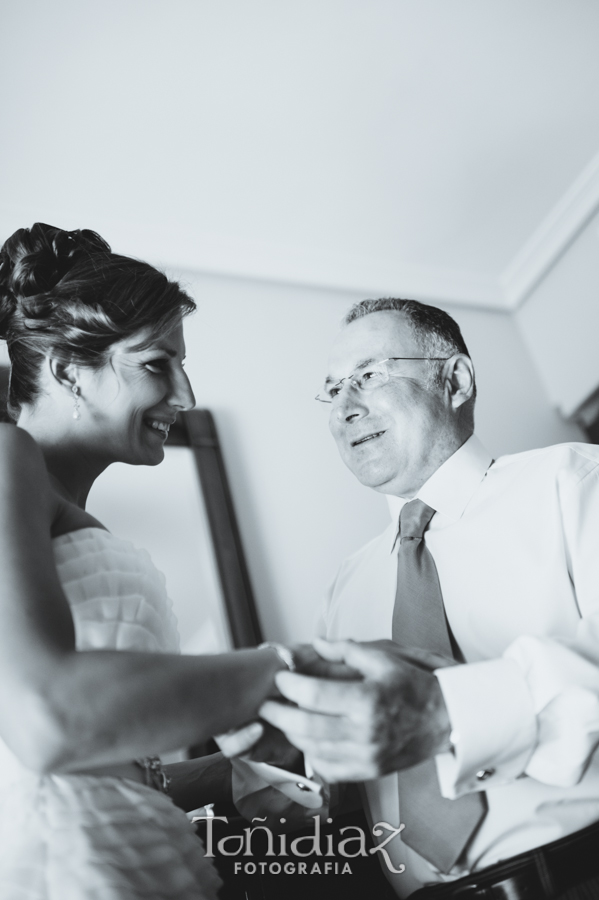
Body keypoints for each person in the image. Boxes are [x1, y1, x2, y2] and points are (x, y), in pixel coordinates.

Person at [0, 222, 320, 899]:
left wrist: (231, 773)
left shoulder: (57, 505)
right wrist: (278, 670)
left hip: (129, 848)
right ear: (66, 371)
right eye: (156, 364)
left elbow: (107, 765)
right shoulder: (6, 456)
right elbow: (43, 719)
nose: (185, 393)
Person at [245, 298, 599, 899]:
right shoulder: (344, 590)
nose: (345, 408)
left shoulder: (575, 482)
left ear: (454, 380)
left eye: (369, 375)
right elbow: (342, 798)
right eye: (332, 390)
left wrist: (447, 714)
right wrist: (292, 762)